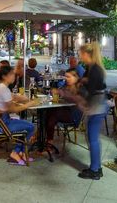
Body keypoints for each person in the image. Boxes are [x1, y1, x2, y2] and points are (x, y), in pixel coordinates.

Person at [0, 66, 39, 165]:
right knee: (31, 127)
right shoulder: (3, 89)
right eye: (12, 74)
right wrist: (29, 104)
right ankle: (16, 152)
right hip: (2, 124)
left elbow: (13, 96)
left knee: (24, 124)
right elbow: (13, 109)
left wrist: (26, 99)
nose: (14, 76)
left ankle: (21, 152)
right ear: (4, 76)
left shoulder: (0, 86)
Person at [77, 42, 108, 180]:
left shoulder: (95, 69)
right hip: (97, 104)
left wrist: (81, 83)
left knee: (93, 138)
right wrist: (82, 80)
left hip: (97, 105)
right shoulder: (92, 68)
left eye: (81, 53)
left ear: (87, 54)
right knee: (92, 137)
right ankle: (96, 167)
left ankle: (95, 170)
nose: (80, 56)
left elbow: (90, 89)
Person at [46, 68, 84, 149]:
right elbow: (59, 92)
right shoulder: (66, 86)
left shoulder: (80, 88)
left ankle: (48, 143)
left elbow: (75, 98)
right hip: (66, 111)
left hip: (75, 115)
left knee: (52, 115)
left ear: (76, 77)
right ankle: (43, 139)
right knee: (47, 113)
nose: (66, 79)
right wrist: (54, 92)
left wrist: (61, 93)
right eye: (65, 77)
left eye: (69, 77)